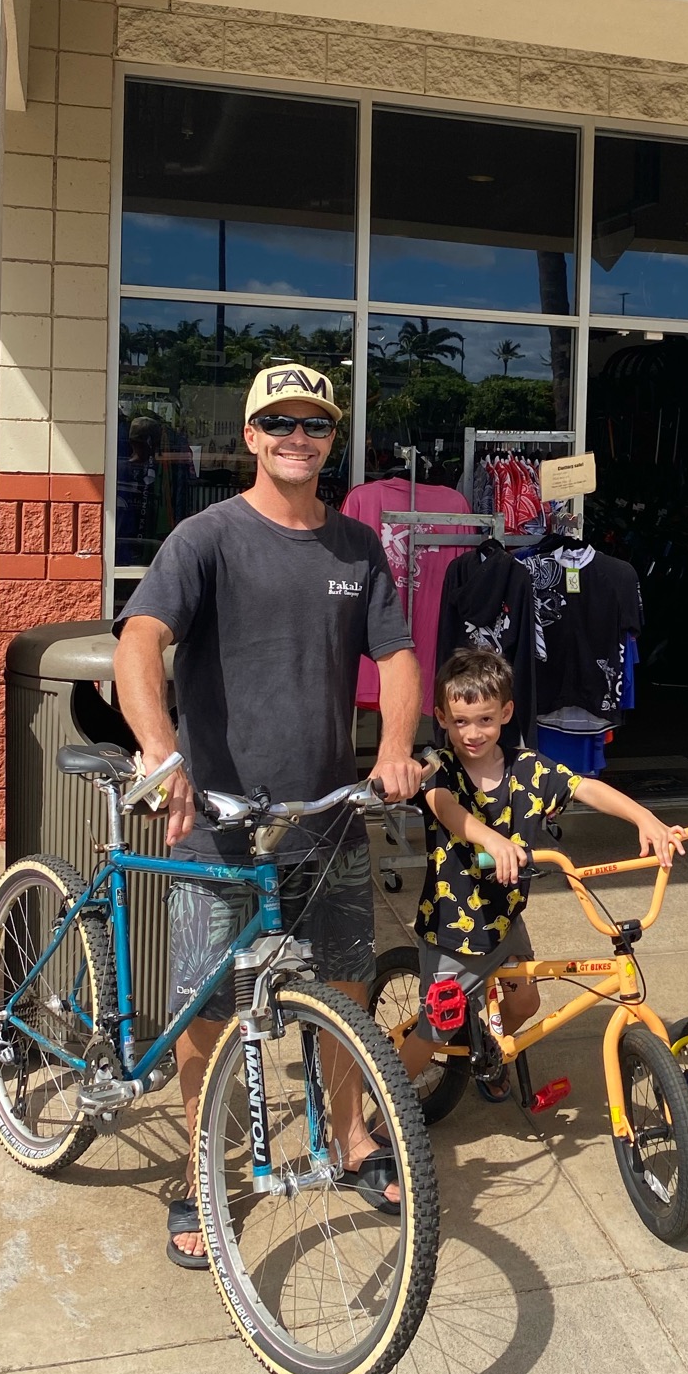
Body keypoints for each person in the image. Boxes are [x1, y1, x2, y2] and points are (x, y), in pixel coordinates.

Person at [113, 361, 425, 1265]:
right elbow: (141, 642)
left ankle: (351, 1136)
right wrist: (162, 752)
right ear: (250, 436)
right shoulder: (206, 537)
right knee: (208, 1005)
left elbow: (397, 657)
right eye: (280, 422)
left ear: (332, 440)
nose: (299, 435)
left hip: (327, 810)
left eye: (315, 423)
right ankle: (205, 1167)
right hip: (220, 821)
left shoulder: (359, 548)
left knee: (348, 982)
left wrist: (394, 747)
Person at [399, 647, 682, 1089]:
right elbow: (444, 807)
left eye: (485, 720)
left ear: (506, 713)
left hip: (505, 918)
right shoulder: (440, 767)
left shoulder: (527, 768)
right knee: (436, 1029)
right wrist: (491, 838)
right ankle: (381, 1113)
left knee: (525, 1001)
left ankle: (492, 1051)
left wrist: (645, 818)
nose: (472, 733)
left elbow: (583, 786)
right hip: (454, 931)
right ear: (440, 717)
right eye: (460, 721)